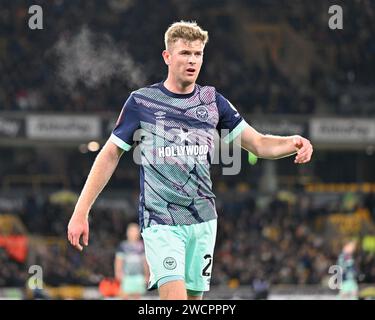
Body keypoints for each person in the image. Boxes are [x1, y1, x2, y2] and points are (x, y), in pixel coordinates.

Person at [67, 20, 313, 300]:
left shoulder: (212, 101)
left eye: (198, 54)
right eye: (185, 53)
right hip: (161, 220)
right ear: (167, 56)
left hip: (203, 220)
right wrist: (81, 211)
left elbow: (257, 144)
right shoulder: (142, 102)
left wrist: (292, 142)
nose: (192, 60)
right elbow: (110, 153)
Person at [114, 223, 148, 299]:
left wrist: (147, 275)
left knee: (137, 297)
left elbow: (145, 261)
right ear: (127, 232)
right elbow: (118, 261)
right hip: (126, 276)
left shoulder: (142, 246)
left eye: (135, 231)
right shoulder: (123, 246)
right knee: (124, 296)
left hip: (139, 277)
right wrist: (118, 273)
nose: (133, 233)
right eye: (131, 231)